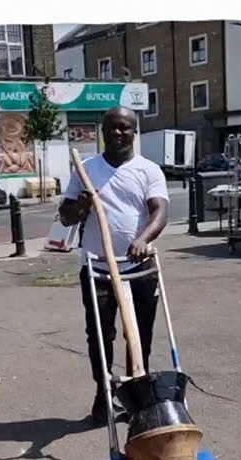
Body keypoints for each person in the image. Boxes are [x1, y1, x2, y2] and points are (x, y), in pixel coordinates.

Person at [59, 106, 169, 425]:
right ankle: (104, 394)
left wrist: (143, 240)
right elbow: (65, 216)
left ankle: (137, 391)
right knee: (99, 334)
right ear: (103, 132)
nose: (118, 133)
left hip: (139, 267)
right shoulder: (86, 169)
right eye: (112, 128)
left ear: (134, 132)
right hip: (98, 268)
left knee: (139, 333)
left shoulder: (148, 170)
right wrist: (79, 206)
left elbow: (159, 212)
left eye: (125, 128)